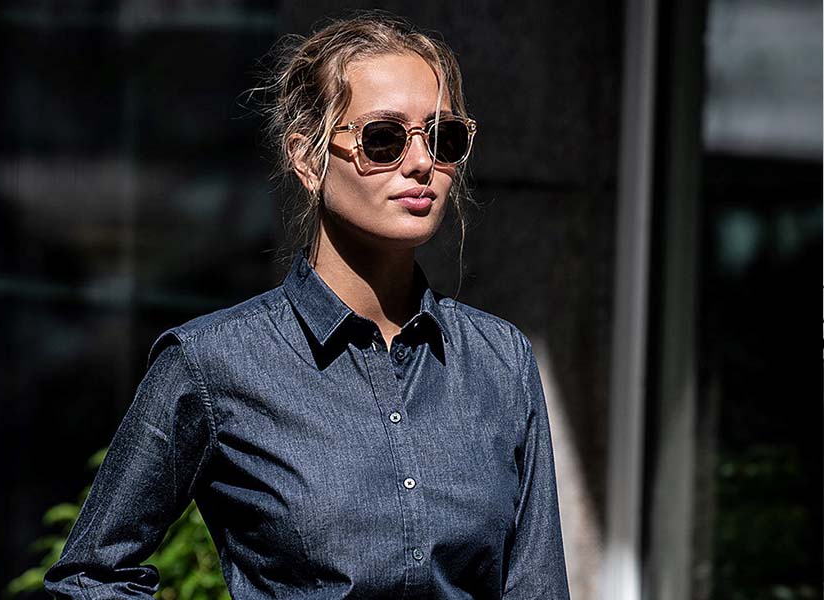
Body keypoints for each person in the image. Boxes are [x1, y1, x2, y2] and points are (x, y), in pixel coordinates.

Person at [44, 12, 570, 599]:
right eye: (384, 139)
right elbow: (90, 577)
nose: (422, 163)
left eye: (443, 137)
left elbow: (537, 585)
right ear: (308, 157)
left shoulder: (500, 360)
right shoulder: (213, 363)